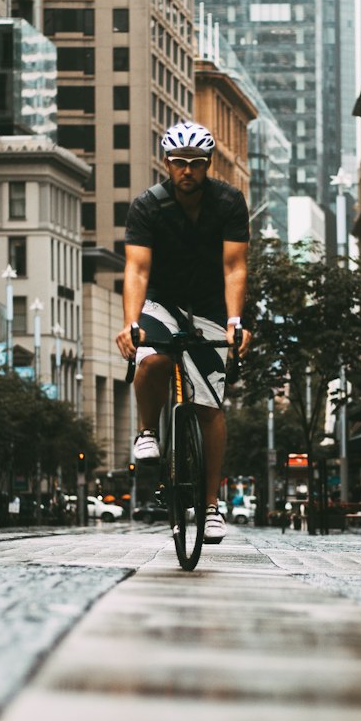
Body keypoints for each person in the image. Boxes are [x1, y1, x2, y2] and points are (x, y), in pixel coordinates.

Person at [115, 121, 250, 544]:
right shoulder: (146, 206)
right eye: (178, 163)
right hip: (161, 299)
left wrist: (234, 321)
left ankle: (211, 507)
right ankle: (147, 432)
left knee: (209, 405)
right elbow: (136, 269)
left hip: (210, 303)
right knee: (151, 357)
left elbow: (234, 267)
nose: (186, 170)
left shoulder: (229, 202)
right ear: (167, 163)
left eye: (195, 163)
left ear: (207, 164)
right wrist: (132, 323)